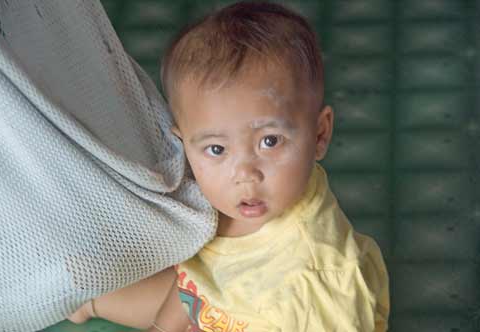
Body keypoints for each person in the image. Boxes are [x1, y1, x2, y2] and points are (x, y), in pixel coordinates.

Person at [68, 1, 390, 331]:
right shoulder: (206, 196)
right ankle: (91, 301)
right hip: (215, 301)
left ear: (319, 135)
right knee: (146, 291)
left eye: (270, 141)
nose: (245, 174)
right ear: (185, 145)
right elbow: (190, 282)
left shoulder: (312, 281)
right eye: (217, 149)